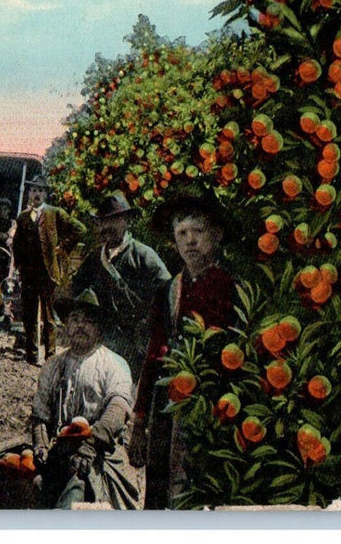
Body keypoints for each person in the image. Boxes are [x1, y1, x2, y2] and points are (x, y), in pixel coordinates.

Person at [129, 193, 236, 510]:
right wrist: (139, 424)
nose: (190, 242)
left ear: (215, 235)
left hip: (209, 404)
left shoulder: (230, 287)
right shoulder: (170, 289)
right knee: (160, 488)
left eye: (197, 232)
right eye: (182, 234)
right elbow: (152, 357)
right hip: (166, 402)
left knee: (195, 490)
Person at [29, 288, 140, 510]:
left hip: (100, 455)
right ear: (67, 326)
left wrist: (90, 445)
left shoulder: (114, 364)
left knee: (81, 502)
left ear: (99, 328)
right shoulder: (53, 365)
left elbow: (118, 410)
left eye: (88, 321)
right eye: (75, 319)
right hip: (58, 454)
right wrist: (40, 444)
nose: (80, 326)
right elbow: (40, 414)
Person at [70, 192, 171, 377]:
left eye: (114, 220)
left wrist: (149, 321)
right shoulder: (94, 258)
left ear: (126, 221)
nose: (107, 226)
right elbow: (76, 287)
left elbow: (167, 289)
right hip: (102, 340)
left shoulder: (143, 255)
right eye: (102, 221)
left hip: (133, 342)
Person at [13, 175, 86, 366]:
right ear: (29, 193)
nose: (37, 194)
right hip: (28, 274)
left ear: (46, 194)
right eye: (34, 190)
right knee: (29, 315)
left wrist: (63, 247)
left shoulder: (55, 213)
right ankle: (31, 355)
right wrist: (18, 266)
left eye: (40, 190)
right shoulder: (22, 217)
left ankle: (50, 356)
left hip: (47, 274)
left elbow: (79, 229)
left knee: (48, 316)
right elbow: (17, 244)